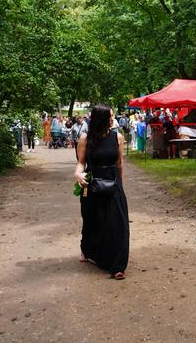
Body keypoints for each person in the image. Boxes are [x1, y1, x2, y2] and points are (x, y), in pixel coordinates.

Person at [73, 105, 129, 280]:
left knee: (119, 224)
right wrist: (77, 173)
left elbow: (119, 163)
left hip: (113, 183)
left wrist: (121, 186)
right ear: (100, 119)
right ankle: (88, 249)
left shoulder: (117, 137)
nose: (113, 119)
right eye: (110, 116)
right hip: (92, 184)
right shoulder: (85, 139)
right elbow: (81, 162)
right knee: (93, 221)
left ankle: (118, 265)